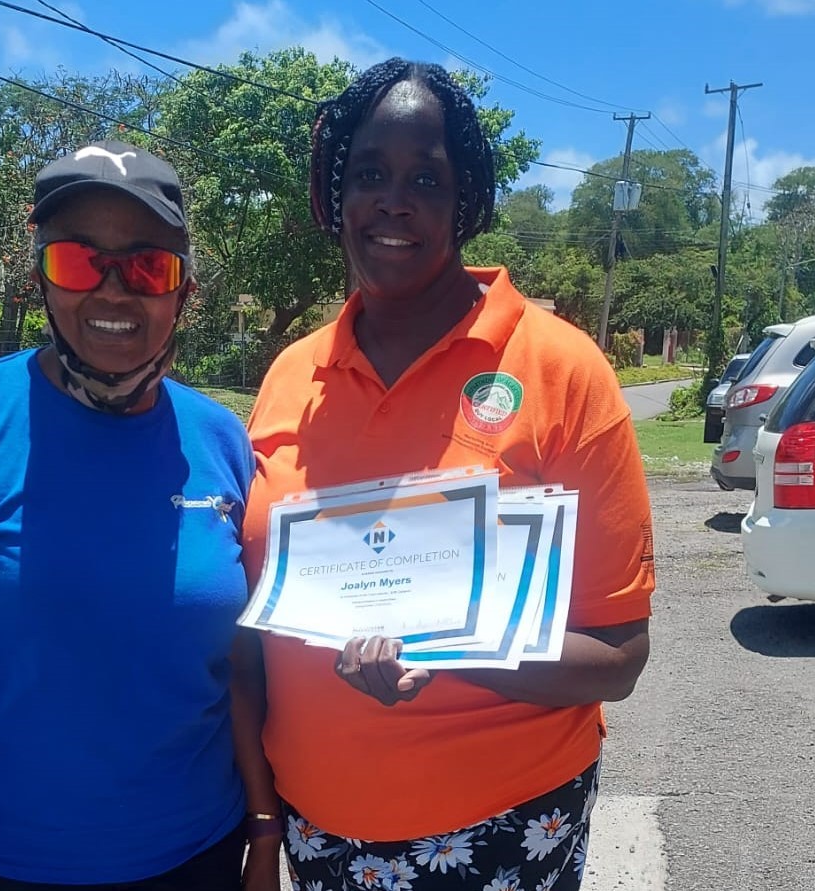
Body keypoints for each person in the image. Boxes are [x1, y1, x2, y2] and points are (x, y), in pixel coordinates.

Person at [243, 60, 655, 891]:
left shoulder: (560, 369)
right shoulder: (292, 374)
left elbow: (617, 655)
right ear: (336, 193)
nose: (393, 200)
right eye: (370, 174)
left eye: (425, 178)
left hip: (503, 823)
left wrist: (448, 649)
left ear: (463, 201)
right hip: (319, 826)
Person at [0, 140, 281, 891]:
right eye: (80, 262)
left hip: (200, 855)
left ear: (183, 292)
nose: (114, 291)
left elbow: (241, 661)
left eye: (148, 265)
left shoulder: (220, 436)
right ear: (39, 280)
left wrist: (263, 827)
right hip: (8, 869)